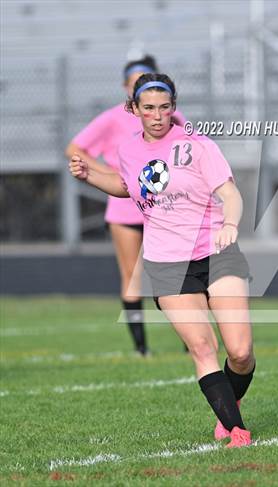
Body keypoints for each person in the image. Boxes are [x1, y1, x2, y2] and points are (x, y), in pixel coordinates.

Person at [69, 73, 254, 447]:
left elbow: (230, 193)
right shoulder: (127, 149)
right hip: (167, 263)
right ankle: (237, 430)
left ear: (174, 107)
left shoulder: (197, 144)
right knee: (203, 348)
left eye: (165, 107)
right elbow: (127, 186)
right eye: (149, 108)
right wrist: (92, 176)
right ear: (134, 108)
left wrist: (230, 223)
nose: (157, 116)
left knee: (240, 352)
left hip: (217, 253)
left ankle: (228, 402)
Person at [65, 56, 186, 356]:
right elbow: (74, 148)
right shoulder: (111, 118)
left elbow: (189, 151)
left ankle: (191, 341)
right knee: (132, 276)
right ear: (127, 90)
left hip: (163, 209)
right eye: (135, 81)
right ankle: (141, 349)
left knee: (176, 273)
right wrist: (105, 174)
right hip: (124, 211)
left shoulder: (173, 118)